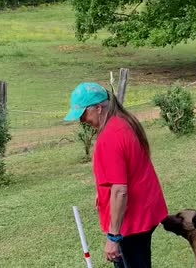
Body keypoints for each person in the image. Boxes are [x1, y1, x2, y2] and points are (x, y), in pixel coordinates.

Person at [64, 82, 168, 268]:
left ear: (98, 108)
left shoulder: (110, 137)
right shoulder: (123, 122)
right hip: (143, 214)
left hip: (131, 223)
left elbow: (120, 191)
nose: (81, 121)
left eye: (83, 114)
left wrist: (113, 236)